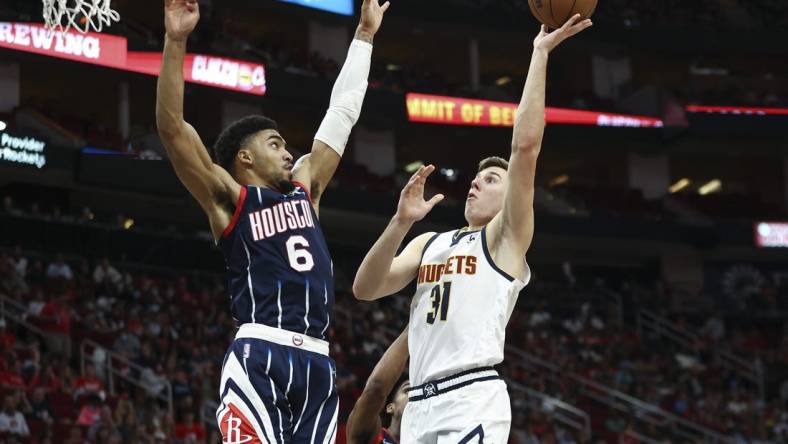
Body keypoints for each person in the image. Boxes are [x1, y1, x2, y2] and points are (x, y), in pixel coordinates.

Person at [156, 0, 390, 442]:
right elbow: (172, 129)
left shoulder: (307, 190)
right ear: (245, 157)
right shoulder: (230, 199)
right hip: (261, 350)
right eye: (275, 143)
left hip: (319, 366)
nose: (288, 152)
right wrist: (175, 40)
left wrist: (364, 37)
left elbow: (340, 115)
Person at [352, 15, 592, 443]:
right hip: (419, 404)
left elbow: (525, 147)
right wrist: (400, 222)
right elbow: (365, 289)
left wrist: (540, 53)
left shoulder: (505, 239)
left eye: (492, 180)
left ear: (510, 198)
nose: (477, 182)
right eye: (477, 178)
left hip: (471, 396)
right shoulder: (430, 242)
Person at [346, 328, 409, 444]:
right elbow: (375, 389)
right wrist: (413, 328)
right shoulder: (373, 436)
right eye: (408, 390)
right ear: (390, 407)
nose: (416, 394)